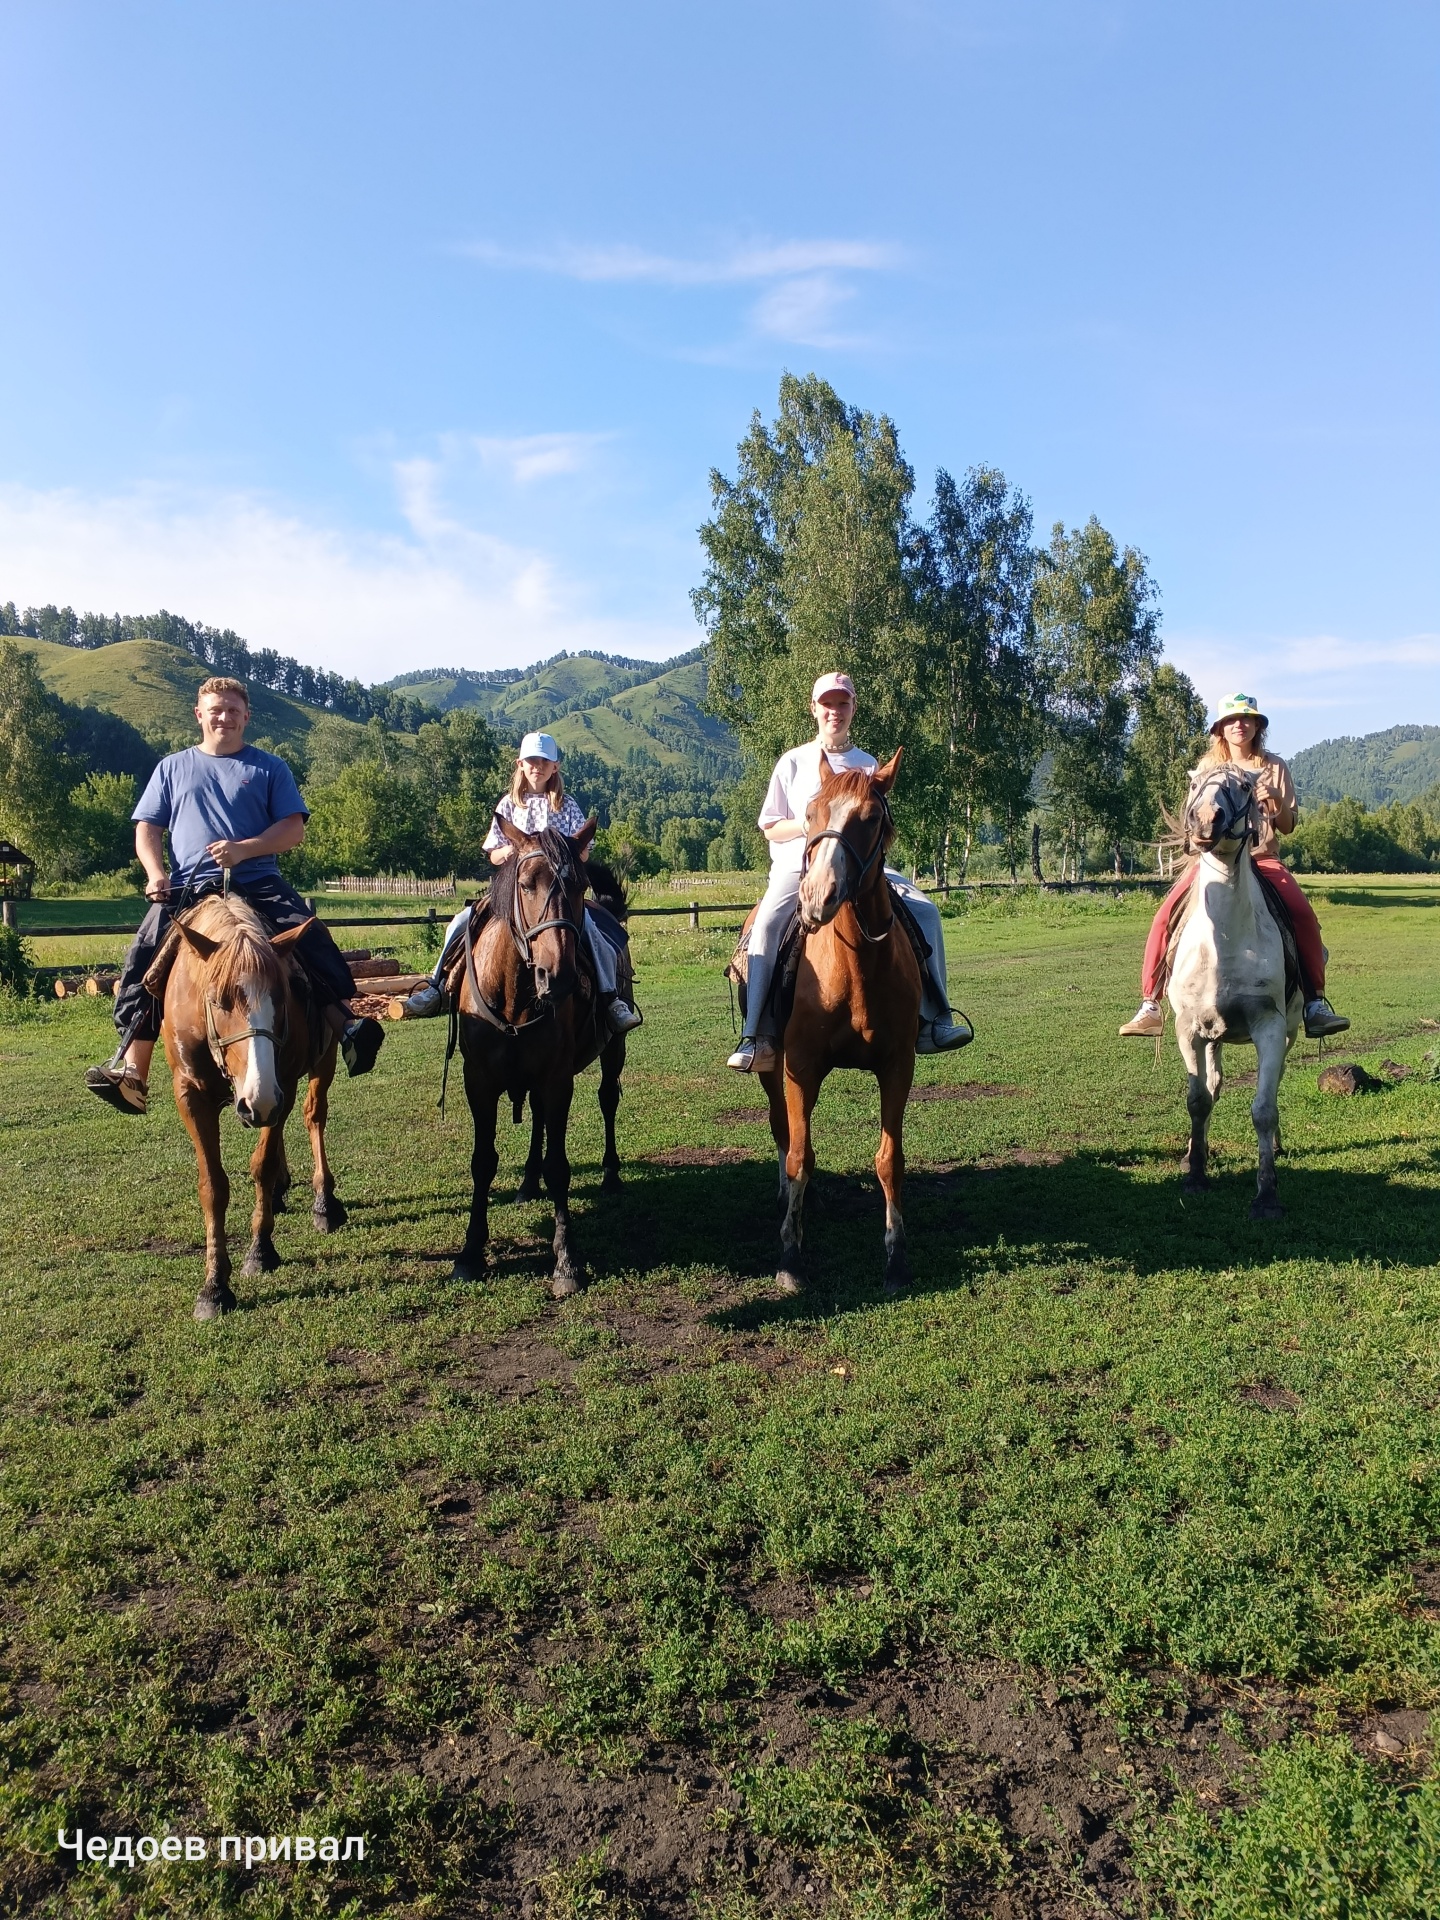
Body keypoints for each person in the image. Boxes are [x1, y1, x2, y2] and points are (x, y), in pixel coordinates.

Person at [84, 677, 385, 1115]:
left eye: (232, 710)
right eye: (215, 710)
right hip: (188, 886)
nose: (223, 717)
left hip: (259, 881)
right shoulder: (171, 768)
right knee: (143, 956)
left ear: (246, 717)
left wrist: (245, 849)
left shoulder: (269, 768)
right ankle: (133, 1069)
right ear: (199, 715)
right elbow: (147, 828)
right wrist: (155, 872)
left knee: (312, 941)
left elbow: (293, 829)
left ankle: (346, 1027)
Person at [725, 672, 972, 1072]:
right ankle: (758, 1036)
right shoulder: (793, 762)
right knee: (768, 923)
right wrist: (810, 825)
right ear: (814, 709)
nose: (834, 712)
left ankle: (936, 1018)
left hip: (862, 869)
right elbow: (770, 825)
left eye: (842, 704)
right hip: (798, 867)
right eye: (827, 704)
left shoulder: (867, 764)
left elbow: (880, 827)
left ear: (853, 709)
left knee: (926, 912)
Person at [1120, 693, 1349, 1040]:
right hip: (1215, 861)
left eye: (1246, 718)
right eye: (1231, 720)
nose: (1239, 725)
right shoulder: (1205, 767)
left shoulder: (1274, 766)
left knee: (1302, 916)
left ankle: (1315, 1003)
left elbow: (1288, 825)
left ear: (1258, 725)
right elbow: (1194, 821)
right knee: (1164, 916)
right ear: (1221, 729)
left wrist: (1273, 797)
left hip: (1262, 859)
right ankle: (1150, 1004)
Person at [405, 731, 642, 1034]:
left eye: (544, 761)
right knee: (461, 921)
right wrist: (511, 850)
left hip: (555, 893)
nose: (537, 767)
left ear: (555, 767)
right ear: (520, 764)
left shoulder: (566, 806)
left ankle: (611, 999)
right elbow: (493, 852)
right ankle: (437, 987)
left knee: (594, 933)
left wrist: (569, 852)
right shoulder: (507, 805)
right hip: (514, 888)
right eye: (531, 761)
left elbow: (581, 853)